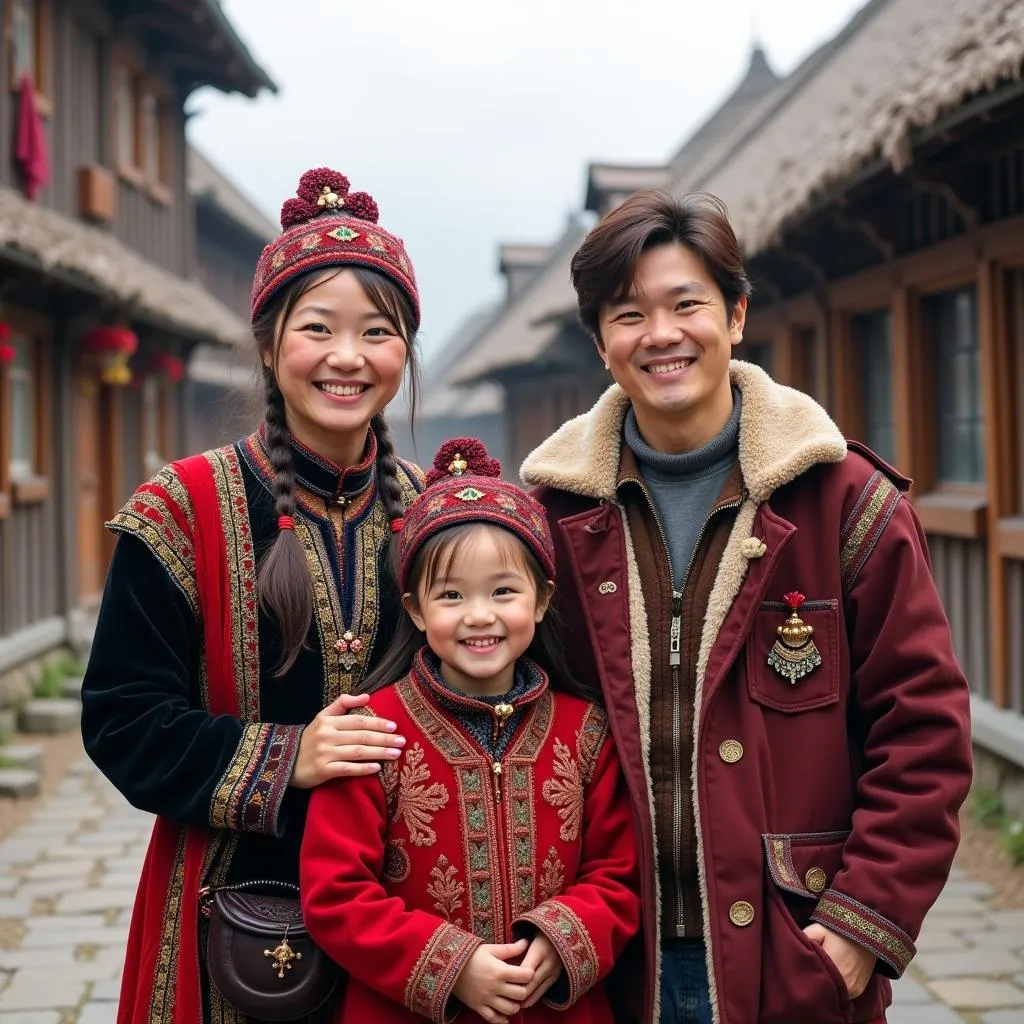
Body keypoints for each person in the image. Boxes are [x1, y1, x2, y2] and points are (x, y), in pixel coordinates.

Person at [521, 189, 973, 1024]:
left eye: (685, 303)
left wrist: (855, 931)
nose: (660, 334)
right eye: (628, 314)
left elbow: (924, 729)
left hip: (788, 956)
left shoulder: (844, 502)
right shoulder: (549, 521)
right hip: (608, 963)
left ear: (734, 316)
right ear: (601, 341)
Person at [81, 167, 426, 1024]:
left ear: (404, 354)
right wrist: (286, 758)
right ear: (270, 345)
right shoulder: (182, 507)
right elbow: (122, 720)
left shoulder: (434, 515)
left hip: (413, 907)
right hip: (229, 914)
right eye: (318, 329)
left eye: (377, 333)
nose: (348, 358)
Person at [300, 438, 641, 1024]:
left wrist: (559, 945)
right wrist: (454, 966)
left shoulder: (585, 732)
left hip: (556, 1007)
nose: (479, 615)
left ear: (541, 600)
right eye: (451, 595)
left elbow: (619, 873)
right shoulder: (373, 734)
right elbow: (336, 895)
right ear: (414, 610)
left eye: (503, 591)